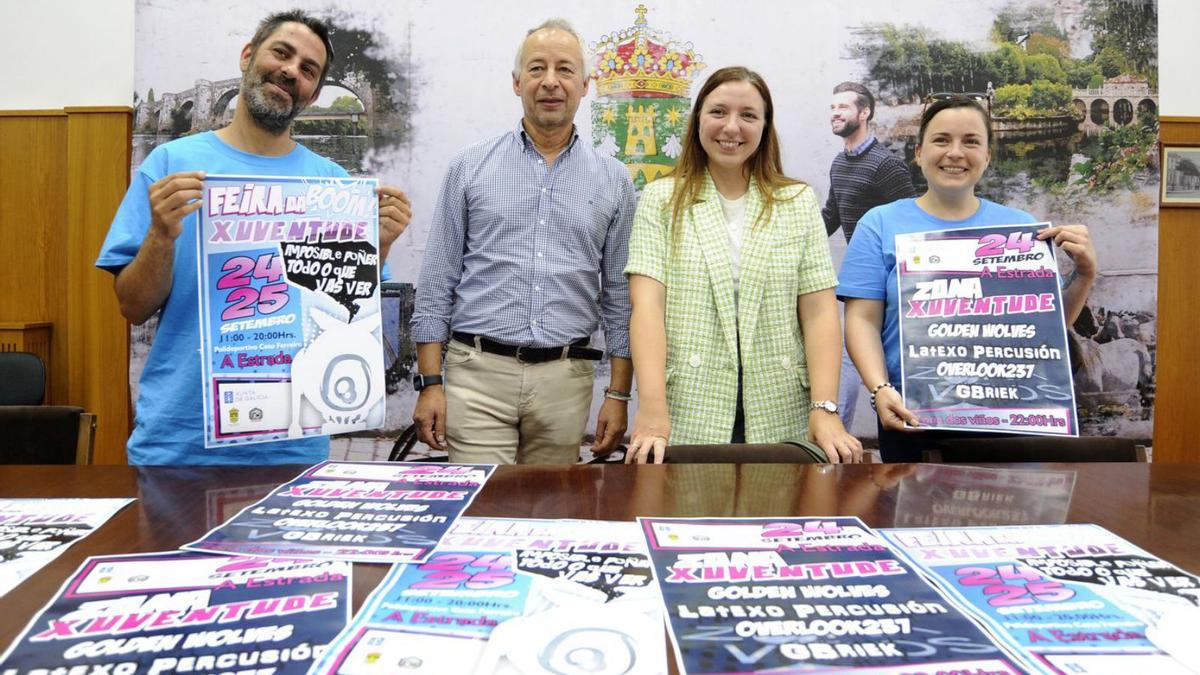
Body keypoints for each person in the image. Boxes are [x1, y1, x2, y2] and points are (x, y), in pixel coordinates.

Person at [96, 10, 412, 465]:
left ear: (314, 92)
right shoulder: (169, 164)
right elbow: (132, 305)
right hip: (181, 446)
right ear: (248, 56)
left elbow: (346, 318)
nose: (291, 71)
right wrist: (162, 236)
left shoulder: (332, 186)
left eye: (308, 70)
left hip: (295, 447)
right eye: (281, 53)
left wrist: (378, 244)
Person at [410, 18, 636, 465]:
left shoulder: (615, 180)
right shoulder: (469, 167)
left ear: (586, 85)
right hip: (475, 375)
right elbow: (437, 282)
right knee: (478, 511)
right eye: (536, 69)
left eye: (565, 70)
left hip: (565, 381)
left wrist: (618, 394)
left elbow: (619, 299)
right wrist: (430, 384)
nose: (550, 82)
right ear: (517, 83)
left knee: (550, 517)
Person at [838, 95, 1098, 462]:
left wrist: (1084, 274)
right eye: (941, 140)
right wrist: (880, 389)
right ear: (918, 152)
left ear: (988, 156)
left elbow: (1043, 333)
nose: (955, 153)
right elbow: (862, 320)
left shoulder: (1021, 229)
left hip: (1012, 418)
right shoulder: (879, 225)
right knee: (912, 515)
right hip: (913, 415)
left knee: (1013, 515)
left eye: (971, 141)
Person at [624, 66, 862, 464]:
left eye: (748, 115)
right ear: (698, 118)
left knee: (779, 520)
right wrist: (651, 406)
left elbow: (820, 312)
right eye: (718, 112)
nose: (731, 127)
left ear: (765, 126)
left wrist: (825, 407)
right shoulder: (662, 200)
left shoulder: (796, 202)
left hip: (782, 407)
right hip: (687, 407)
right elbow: (648, 308)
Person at [822, 81, 916, 433]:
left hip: (891, 290)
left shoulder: (886, 166)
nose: (836, 113)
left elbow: (912, 226)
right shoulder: (839, 163)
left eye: (844, 107)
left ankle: (840, 445)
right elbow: (832, 214)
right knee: (845, 364)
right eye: (833, 107)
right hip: (860, 285)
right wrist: (793, 241)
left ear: (865, 113)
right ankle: (837, 442)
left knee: (868, 367)